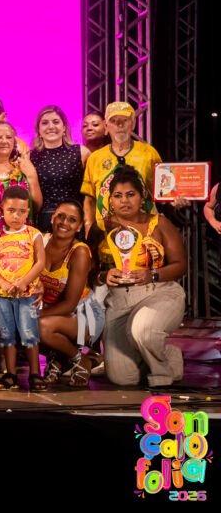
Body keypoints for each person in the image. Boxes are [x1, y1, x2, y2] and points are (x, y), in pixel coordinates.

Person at [98, 166, 187, 388]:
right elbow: (90, 270)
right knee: (123, 378)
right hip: (119, 299)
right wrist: (104, 274)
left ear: (142, 197)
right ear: (110, 201)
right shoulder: (101, 228)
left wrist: (152, 274)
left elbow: (181, 265)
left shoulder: (159, 223)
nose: (124, 201)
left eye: (130, 194)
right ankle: (162, 353)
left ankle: (162, 373)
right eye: (117, 196)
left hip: (159, 292)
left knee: (143, 331)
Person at [0, 186, 46, 391]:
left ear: (27, 212)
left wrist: (24, 281)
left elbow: (40, 262)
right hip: (2, 295)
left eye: (21, 211)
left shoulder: (34, 234)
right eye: (11, 210)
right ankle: (10, 373)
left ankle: (35, 373)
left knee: (29, 334)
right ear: (1, 210)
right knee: (6, 335)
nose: (16, 216)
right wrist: (3, 283)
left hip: (27, 294)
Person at [38, 199, 102, 388]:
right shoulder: (40, 241)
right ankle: (60, 358)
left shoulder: (79, 252)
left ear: (80, 226)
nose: (64, 222)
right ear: (52, 218)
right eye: (60, 216)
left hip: (85, 314)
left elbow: (70, 304)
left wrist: (34, 315)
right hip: (56, 312)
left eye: (72, 220)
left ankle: (81, 360)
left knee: (39, 326)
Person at [81, 101, 163, 233]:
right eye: (114, 121)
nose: (119, 125)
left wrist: (175, 198)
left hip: (145, 231)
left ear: (133, 124)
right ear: (106, 127)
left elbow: (162, 191)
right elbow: (89, 200)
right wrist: (89, 229)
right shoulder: (95, 158)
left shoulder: (149, 153)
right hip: (106, 234)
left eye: (125, 120)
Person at [30, 105, 89, 232]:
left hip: (74, 220)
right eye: (45, 123)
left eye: (56, 122)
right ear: (38, 130)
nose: (51, 126)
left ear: (64, 127)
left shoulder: (82, 153)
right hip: (44, 221)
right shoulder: (30, 157)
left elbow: (89, 194)